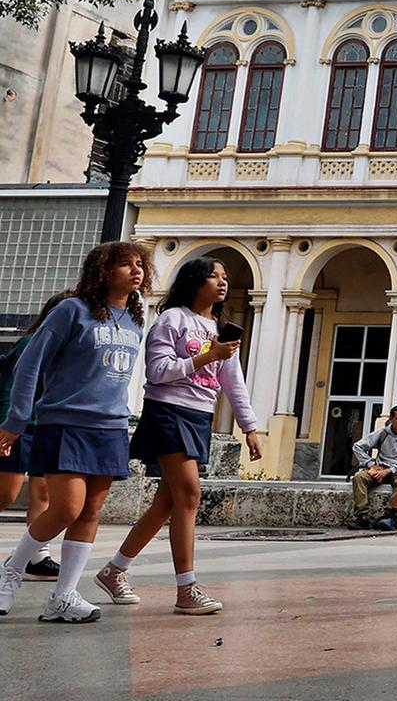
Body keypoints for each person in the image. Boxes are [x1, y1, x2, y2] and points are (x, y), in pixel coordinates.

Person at [97, 258, 266, 614]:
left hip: (199, 417)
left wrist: (249, 427)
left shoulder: (219, 328)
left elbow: (233, 382)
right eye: (213, 276)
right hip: (168, 412)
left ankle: (114, 571)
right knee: (190, 494)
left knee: (168, 503)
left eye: (225, 277)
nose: (222, 282)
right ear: (193, 281)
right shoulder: (172, 319)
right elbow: (157, 372)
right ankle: (186, 588)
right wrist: (206, 356)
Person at [0, 241, 152, 622]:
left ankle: (63, 596)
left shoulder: (135, 319)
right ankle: (10, 572)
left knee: (91, 511)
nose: (136, 271)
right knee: (66, 507)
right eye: (125, 264)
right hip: (65, 423)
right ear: (102, 271)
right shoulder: (73, 311)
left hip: (111, 427)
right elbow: (29, 366)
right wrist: (16, 420)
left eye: (140, 264)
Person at [0, 291, 76, 585]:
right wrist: (7, 426)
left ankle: (37, 557)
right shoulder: (31, 343)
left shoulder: (68, 348)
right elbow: (11, 386)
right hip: (20, 426)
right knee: (6, 493)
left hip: (46, 426)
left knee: (43, 492)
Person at [351, 406, 397, 530]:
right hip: (379, 468)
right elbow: (358, 446)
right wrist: (370, 464)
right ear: (391, 419)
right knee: (359, 477)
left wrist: (388, 471)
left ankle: (389, 516)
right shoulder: (382, 433)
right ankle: (362, 517)